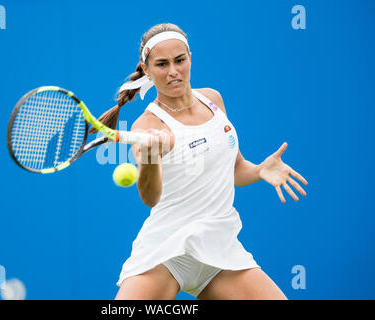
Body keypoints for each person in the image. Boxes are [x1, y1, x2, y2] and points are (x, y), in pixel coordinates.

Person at [94, 23, 308, 300]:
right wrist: (149, 158)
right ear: (146, 70)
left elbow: (235, 170)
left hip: (219, 249)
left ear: (190, 58)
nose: (173, 71)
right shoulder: (148, 126)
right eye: (162, 64)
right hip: (167, 251)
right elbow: (150, 197)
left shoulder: (212, 99)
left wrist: (260, 170)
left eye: (179, 60)